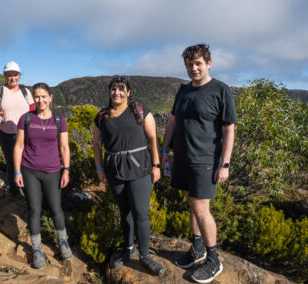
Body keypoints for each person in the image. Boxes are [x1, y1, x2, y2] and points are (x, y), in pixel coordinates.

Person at [161, 44, 237, 283]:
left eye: (198, 64)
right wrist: (165, 150)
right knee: (191, 203)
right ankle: (197, 249)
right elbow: (172, 122)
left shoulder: (220, 90)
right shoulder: (183, 90)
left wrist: (224, 164)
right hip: (182, 158)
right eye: (189, 64)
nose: (193, 68)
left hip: (205, 160)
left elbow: (229, 129)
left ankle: (213, 260)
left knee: (202, 209)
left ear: (208, 63)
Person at [92, 76, 165, 276]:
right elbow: (96, 144)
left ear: (128, 92)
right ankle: (127, 249)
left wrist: (156, 165)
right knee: (124, 212)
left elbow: (153, 138)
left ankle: (145, 256)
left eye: (121, 88)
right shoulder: (102, 116)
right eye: (113, 89)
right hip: (114, 170)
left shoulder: (139, 110)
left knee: (140, 212)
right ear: (109, 92)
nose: (117, 92)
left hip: (139, 168)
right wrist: (99, 170)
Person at [13, 82, 72, 269]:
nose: (40, 100)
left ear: (50, 97)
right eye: (37, 97)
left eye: (43, 96)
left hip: (53, 171)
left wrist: (67, 170)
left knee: (56, 209)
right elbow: (19, 146)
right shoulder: (26, 118)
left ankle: (63, 242)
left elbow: (64, 147)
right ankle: (37, 249)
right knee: (34, 210)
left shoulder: (58, 119)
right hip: (30, 171)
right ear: (33, 98)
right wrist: (17, 171)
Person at [0, 61, 35, 197]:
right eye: (9, 75)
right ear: (5, 76)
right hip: (6, 133)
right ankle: (15, 192)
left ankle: (29, 191)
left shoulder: (26, 92)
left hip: (26, 134)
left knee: (27, 162)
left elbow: (33, 113)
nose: (12, 78)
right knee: (11, 162)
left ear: (19, 75)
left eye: (15, 74)